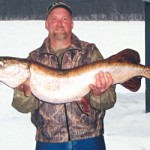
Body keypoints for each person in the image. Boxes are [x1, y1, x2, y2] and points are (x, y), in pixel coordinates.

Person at [12, 1, 116, 150]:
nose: (59, 24)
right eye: (54, 19)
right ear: (46, 24)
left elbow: (109, 101)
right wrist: (24, 92)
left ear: (72, 24)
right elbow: (22, 107)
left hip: (90, 139)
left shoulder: (89, 52)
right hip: (48, 142)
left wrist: (99, 93)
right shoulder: (33, 59)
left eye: (65, 19)